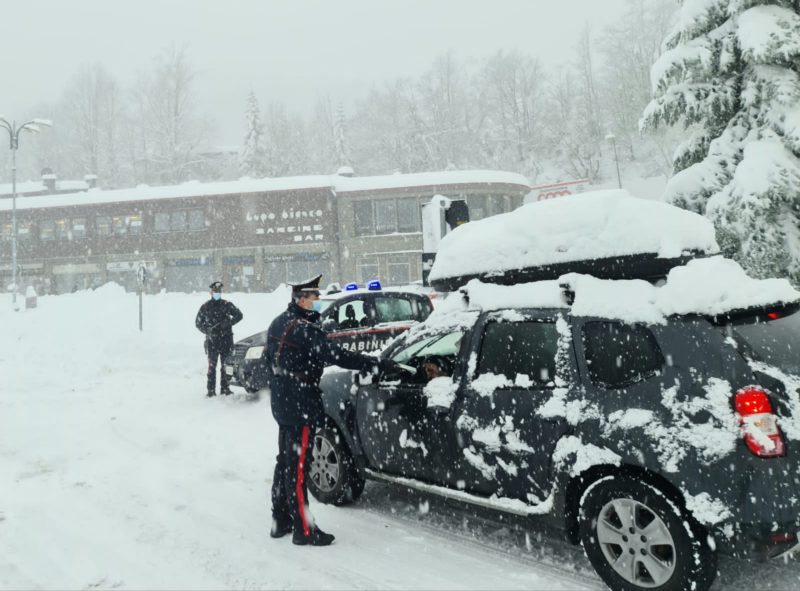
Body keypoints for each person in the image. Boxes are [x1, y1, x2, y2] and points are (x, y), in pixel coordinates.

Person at [263, 274, 396, 546]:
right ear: (301, 299)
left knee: (285, 462)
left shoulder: (279, 322)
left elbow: (268, 359)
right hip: (300, 402)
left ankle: (280, 520)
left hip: (282, 400)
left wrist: (283, 382)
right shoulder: (304, 329)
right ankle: (304, 530)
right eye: (314, 296)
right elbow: (338, 356)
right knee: (299, 468)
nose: (318, 300)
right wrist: (375, 364)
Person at [195, 281, 243, 397]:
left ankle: (225, 389)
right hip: (212, 341)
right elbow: (198, 323)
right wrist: (207, 330)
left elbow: (239, 315)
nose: (217, 293)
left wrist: (229, 323)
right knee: (212, 367)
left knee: (225, 366)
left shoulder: (227, 304)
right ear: (211, 292)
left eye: (218, 291)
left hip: (226, 340)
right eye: (215, 291)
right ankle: (211, 391)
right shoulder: (205, 307)